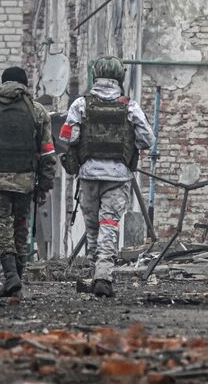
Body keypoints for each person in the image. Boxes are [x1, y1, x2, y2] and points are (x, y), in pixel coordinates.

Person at [59, 56, 154, 297]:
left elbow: (68, 137)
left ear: (95, 75)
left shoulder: (80, 104)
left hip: (89, 175)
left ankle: (97, 271)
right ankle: (103, 275)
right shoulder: (129, 106)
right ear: (119, 77)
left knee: (92, 226)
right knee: (109, 224)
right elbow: (147, 139)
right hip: (119, 176)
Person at [0, 65, 56, 298]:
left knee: (2, 224)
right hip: (26, 181)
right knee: (21, 225)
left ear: (3, 83)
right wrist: (45, 184)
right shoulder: (38, 112)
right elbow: (47, 152)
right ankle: (17, 275)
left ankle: (10, 276)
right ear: (25, 84)